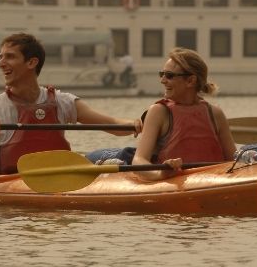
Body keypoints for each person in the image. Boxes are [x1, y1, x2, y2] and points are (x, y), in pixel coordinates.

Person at [0, 33, 142, 175]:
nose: (1, 63)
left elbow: (110, 123)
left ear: (32, 62)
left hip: (60, 175)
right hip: (11, 180)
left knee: (126, 154)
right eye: (1, 57)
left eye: (10, 57)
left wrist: (137, 124)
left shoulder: (63, 101)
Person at [87, 47, 236, 181]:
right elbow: (139, 160)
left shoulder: (215, 113)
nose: (162, 80)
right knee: (93, 158)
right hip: (130, 158)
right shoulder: (159, 111)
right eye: (162, 74)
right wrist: (161, 174)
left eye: (169, 75)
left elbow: (234, 160)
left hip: (191, 172)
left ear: (190, 80)